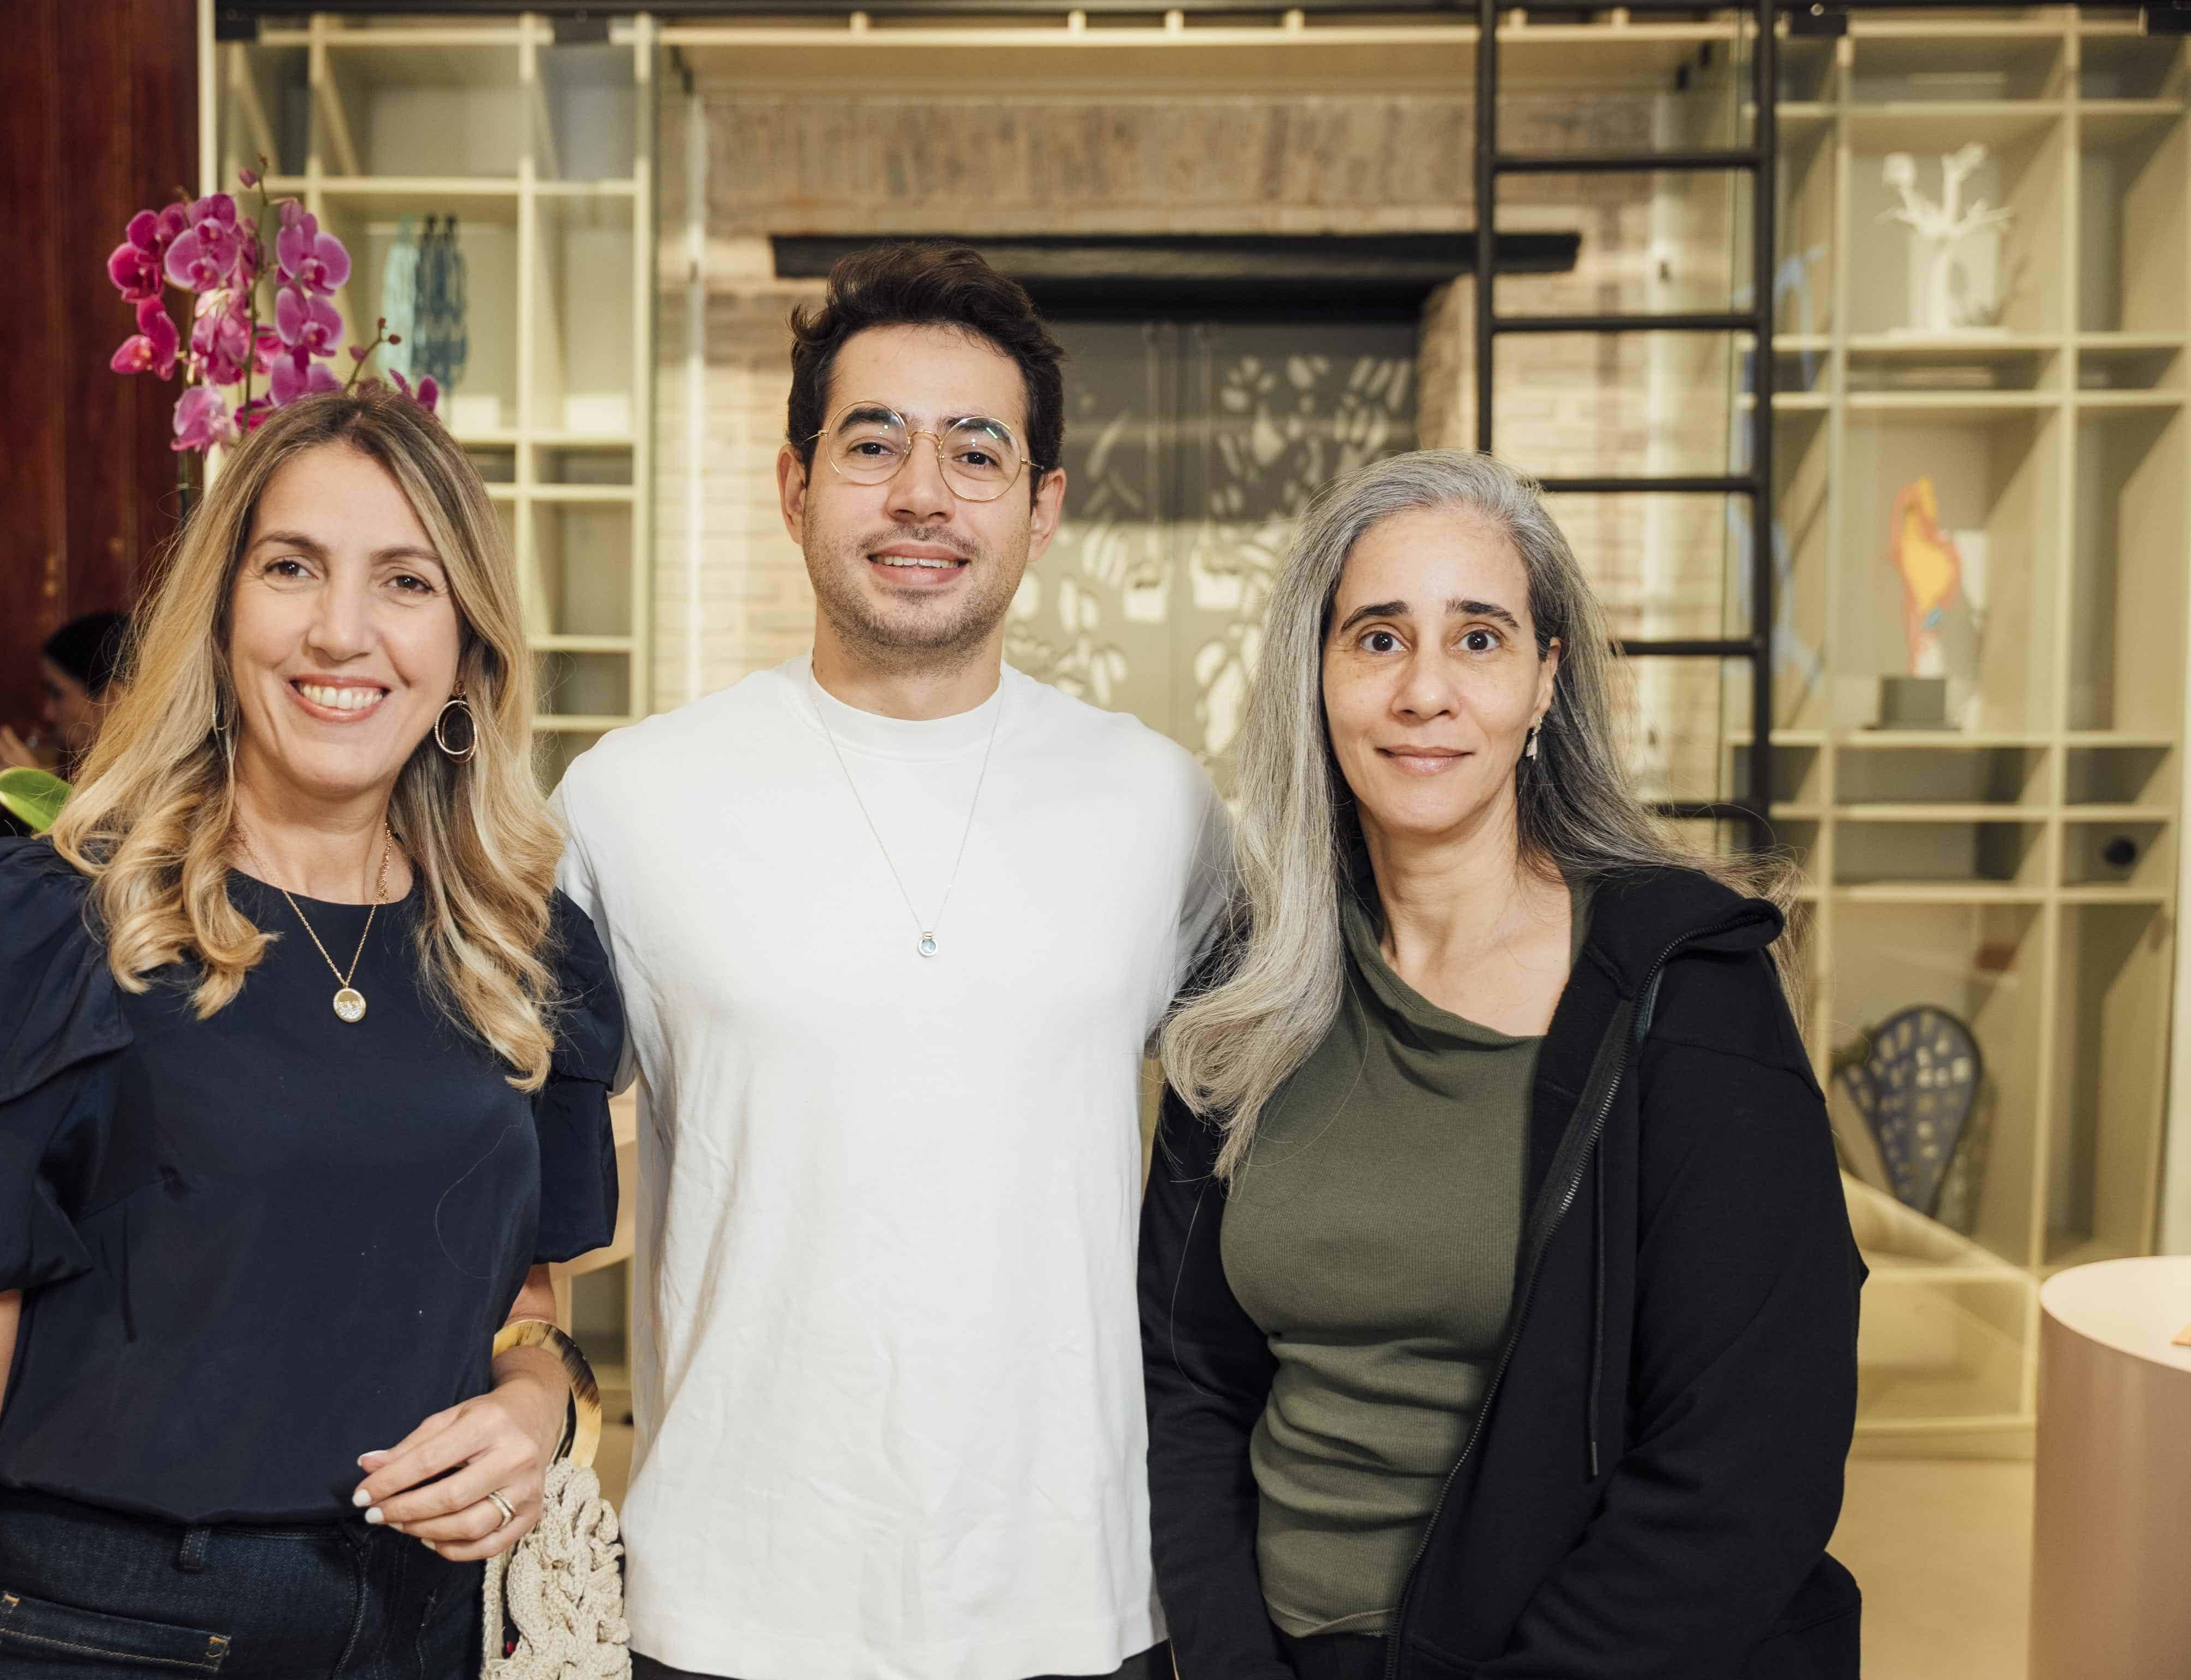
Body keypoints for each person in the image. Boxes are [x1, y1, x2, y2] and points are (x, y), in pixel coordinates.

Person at [0, 390, 624, 1679]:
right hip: (112, 1638)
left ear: (467, 649)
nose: (343, 628)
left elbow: (520, 1301)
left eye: (406, 580)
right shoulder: (44, 931)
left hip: (427, 1630)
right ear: (219, 620)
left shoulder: (518, 946)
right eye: (292, 568)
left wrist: (538, 1402)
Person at [552, 242, 1230, 1679]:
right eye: (875, 444)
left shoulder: (1159, 803)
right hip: (733, 1601)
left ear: (1044, 509)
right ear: (794, 486)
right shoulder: (631, 800)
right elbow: (484, 1141)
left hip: (1081, 1599)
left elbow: (1275, 1136)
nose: (924, 493)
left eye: (977, 453)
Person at [1141, 450, 1863, 1680]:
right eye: (1377, 639)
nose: (1426, 691)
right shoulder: (1252, 993)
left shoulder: (1684, 991)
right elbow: (1186, 1379)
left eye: (1478, 639)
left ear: (1545, 681)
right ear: (1317, 680)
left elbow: (1747, 1467)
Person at [0, 609, 131, 779]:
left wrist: (34, 790)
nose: (49, 713)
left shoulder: (150, 779)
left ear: (113, 699)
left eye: (57, 693)